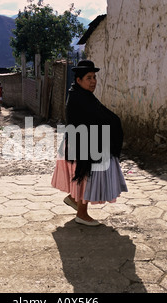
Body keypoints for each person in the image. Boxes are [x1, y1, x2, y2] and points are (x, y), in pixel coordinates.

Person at [51, 60, 128, 226]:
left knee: (84, 177)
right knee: (85, 177)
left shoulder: (80, 94)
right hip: (81, 145)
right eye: (89, 78)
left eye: (94, 77)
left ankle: (73, 198)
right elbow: (96, 118)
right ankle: (82, 213)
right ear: (78, 80)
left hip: (81, 142)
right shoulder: (80, 98)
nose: (93, 81)